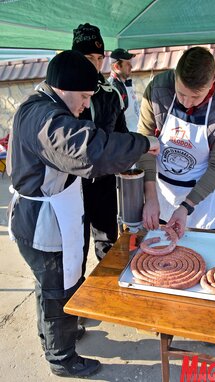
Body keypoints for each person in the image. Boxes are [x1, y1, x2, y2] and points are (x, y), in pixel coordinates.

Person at [7, 50, 159, 378]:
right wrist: (142, 143)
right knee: (56, 286)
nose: (86, 105)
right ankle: (61, 357)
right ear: (65, 88)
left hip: (46, 212)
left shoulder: (42, 106)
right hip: (42, 221)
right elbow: (91, 150)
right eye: (85, 96)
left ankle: (55, 334)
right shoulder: (46, 119)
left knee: (52, 283)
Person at [137, 46, 215, 239]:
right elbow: (145, 144)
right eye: (181, 94)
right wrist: (150, 196)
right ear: (175, 76)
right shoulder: (157, 90)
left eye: (196, 97)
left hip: (200, 196)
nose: (186, 103)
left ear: (213, 82)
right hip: (159, 190)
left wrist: (187, 206)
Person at [72, 23, 128, 261]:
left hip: (104, 184)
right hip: (72, 186)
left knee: (108, 250)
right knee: (75, 253)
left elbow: (122, 137)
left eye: (98, 58)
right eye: (87, 57)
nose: (94, 64)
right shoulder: (65, 94)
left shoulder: (111, 94)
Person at [108, 48, 140, 132]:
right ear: (117, 66)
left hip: (135, 137)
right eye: (128, 64)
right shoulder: (113, 88)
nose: (131, 66)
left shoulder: (125, 84)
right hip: (127, 140)